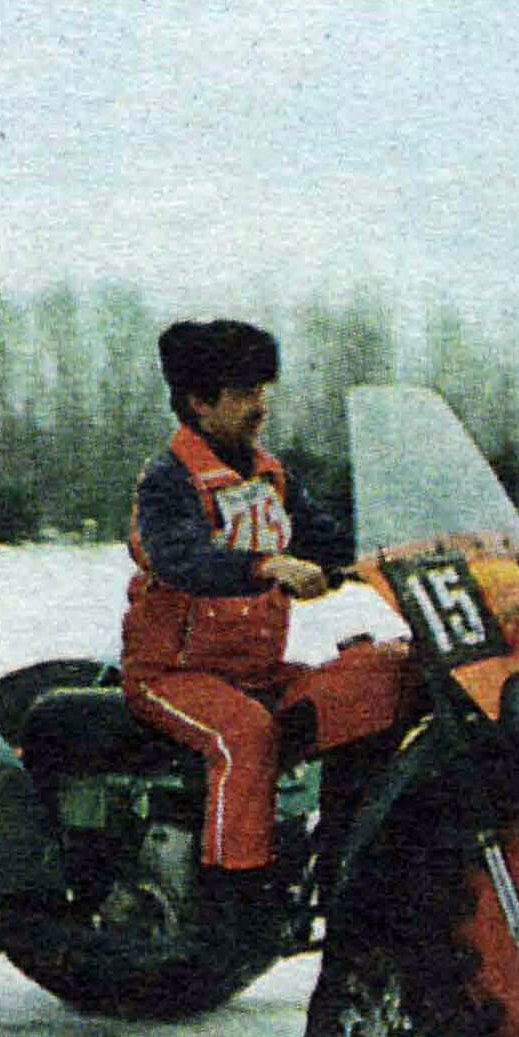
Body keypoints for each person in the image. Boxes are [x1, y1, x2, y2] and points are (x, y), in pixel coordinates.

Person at [120, 319, 410, 919]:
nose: (262, 406)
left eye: (264, 390)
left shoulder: (271, 477)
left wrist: (391, 553)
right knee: (246, 735)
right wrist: (267, 569)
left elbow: (326, 537)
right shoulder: (169, 479)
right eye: (247, 392)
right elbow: (179, 558)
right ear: (200, 403)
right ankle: (236, 892)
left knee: (366, 682)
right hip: (171, 674)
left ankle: (339, 857)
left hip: (254, 669)